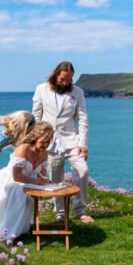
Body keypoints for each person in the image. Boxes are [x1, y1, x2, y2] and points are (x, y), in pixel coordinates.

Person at [33, 61, 93, 223]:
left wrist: (83, 143)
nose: (66, 83)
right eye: (63, 79)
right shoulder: (41, 89)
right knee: (55, 178)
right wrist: (37, 141)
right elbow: (36, 116)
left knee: (83, 171)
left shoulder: (77, 92)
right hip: (49, 142)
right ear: (56, 75)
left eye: (69, 80)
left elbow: (83, 118)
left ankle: (80, 210)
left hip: (72, 141)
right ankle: (60, 213)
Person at [0, 122, 55, 238]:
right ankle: (4, 233)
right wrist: (36, 182)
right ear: (35, 138)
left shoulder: (44, 154)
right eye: (43, 142)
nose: (45, 145)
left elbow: (40, 176)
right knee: (17, 198)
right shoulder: (23, 148)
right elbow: (16, 176)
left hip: (24, 182)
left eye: (48, 142)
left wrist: (44, 180)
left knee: (26, 201)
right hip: (8, 181)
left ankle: (18, 231)